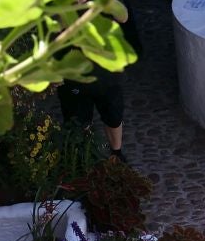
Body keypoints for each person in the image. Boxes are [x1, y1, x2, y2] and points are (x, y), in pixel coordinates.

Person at [57, 16, 142, 163]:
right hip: (74, 76)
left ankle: (116, 153)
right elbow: (52, 30)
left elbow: (123, 16)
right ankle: (83, 159)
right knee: (77, 121)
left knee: (113, 114)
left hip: (107, 72)